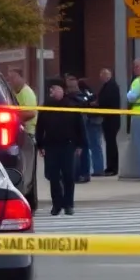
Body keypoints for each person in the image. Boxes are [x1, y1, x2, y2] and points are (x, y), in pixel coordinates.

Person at [34, 77, 87, 216]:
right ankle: (56, 204)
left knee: (69, 176)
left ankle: (68, 204)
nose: (53, 91)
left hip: (68, 145)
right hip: (51, 146)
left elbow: (79, 126)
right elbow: (40, 127)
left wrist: (81, 144)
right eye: (51, 89)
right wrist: (40, 144)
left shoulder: (70, 105)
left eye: (56, 88)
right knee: (53, 177)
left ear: (62, 90)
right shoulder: (46, 107)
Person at [65, 74, 94, 183]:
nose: (71, 87)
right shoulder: (70, 96)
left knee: (83, 148)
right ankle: (77, 173)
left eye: (72, 84)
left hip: (82, 122)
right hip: (73, 123)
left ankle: (83, 173)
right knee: (77, 149)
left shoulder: (81, 95)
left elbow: (86, 103)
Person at [77, 78, 105, 179]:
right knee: (96, 145)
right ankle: (98, 168)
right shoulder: (90, 92)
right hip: (97, 119)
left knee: (93, 145)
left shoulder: (84, 94)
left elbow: (86, 103)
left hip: (91, 120)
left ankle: (97, 169)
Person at [96, 68, 121, 176]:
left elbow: (107, 100)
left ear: (106, 75)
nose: (100, 79)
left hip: (112, 119)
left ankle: (113, 168)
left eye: (101, 76)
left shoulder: (111, 86)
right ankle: (110, 166)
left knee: (111, 144)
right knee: (110, 143)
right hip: (109, 118)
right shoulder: (109, 85)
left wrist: (97, 103)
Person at [4, 68, 36, 138]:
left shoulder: (26, 93)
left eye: (13, 78)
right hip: (20, 132)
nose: (11, 81)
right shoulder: (14, 93)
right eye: (9, 79)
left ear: (22, 78)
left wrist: (14, 117)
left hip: (28, 133)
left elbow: (31, 113)